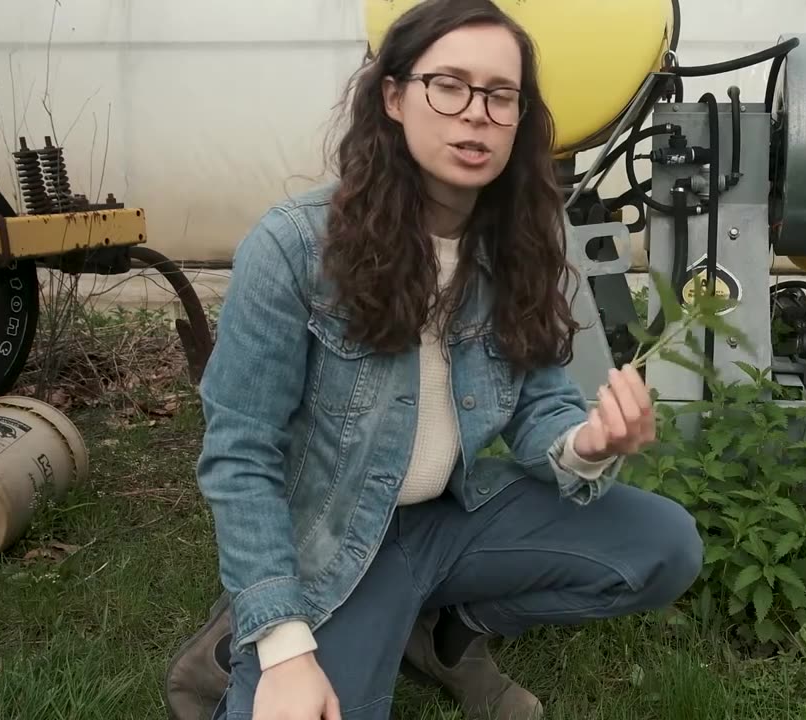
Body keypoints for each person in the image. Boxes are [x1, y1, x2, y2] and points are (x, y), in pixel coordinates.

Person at [162, 1, 704, 718]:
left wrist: (587, 443)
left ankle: (449, 631)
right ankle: (248, 636)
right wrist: (288, 650)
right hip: (338, 535)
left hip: (453, 515)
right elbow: (239, 454)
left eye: (500, 95)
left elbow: (539, 396)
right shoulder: (295, 247)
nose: (475, 113)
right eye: (448, 85)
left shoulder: (519, 239)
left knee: (665, 545)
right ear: (393, 96)